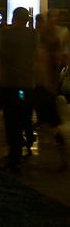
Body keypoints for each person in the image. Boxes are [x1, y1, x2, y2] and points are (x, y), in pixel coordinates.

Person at [0, 7, 37, 172]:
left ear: (13, 17)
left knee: (11, 121)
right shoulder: (34, 35)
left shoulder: (4, 34)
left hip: (8, 83)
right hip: (27, 84)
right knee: (24, 117)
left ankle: (14, 156)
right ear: (27, 19)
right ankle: (23, 146)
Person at [32, 13, 68, 170]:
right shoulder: (44, 46)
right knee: (51, 125)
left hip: (44, 89)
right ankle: (63, 157)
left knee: (52, 125)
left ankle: (64, 158)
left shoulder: (48, 47)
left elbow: (49, 69)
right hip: (42, 88)